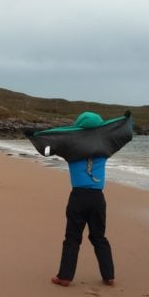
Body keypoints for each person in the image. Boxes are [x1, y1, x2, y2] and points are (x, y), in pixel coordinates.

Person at [26, 111, 133, 287]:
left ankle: (65, 277)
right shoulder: (106, 147)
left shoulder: (70, 147)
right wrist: (125, 120)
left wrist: (33, 137)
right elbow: (123, 136)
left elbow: (49, 147)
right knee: (99, 237)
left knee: (72, 238)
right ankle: (109, 276)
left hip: (79, 197)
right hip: (98, 198)